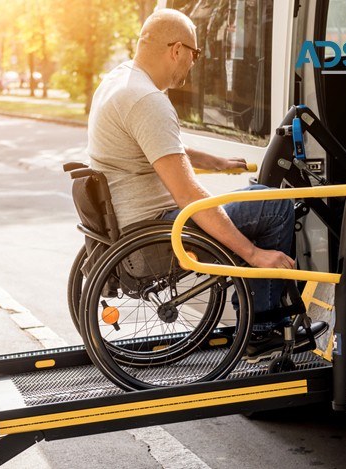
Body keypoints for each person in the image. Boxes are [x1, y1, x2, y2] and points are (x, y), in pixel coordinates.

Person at [87, 8, 307, 362]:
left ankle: (257, 310)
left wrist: (216, 162)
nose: (194, 63)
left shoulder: (120, 81)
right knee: (274, 204)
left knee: (252, 199)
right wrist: (254, 254)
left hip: (133, 229)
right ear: (176, 50)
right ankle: (261, 329)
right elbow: (188, 194)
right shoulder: (148, 101)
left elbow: (160, 145)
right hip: (158, 235)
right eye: (195, 53)